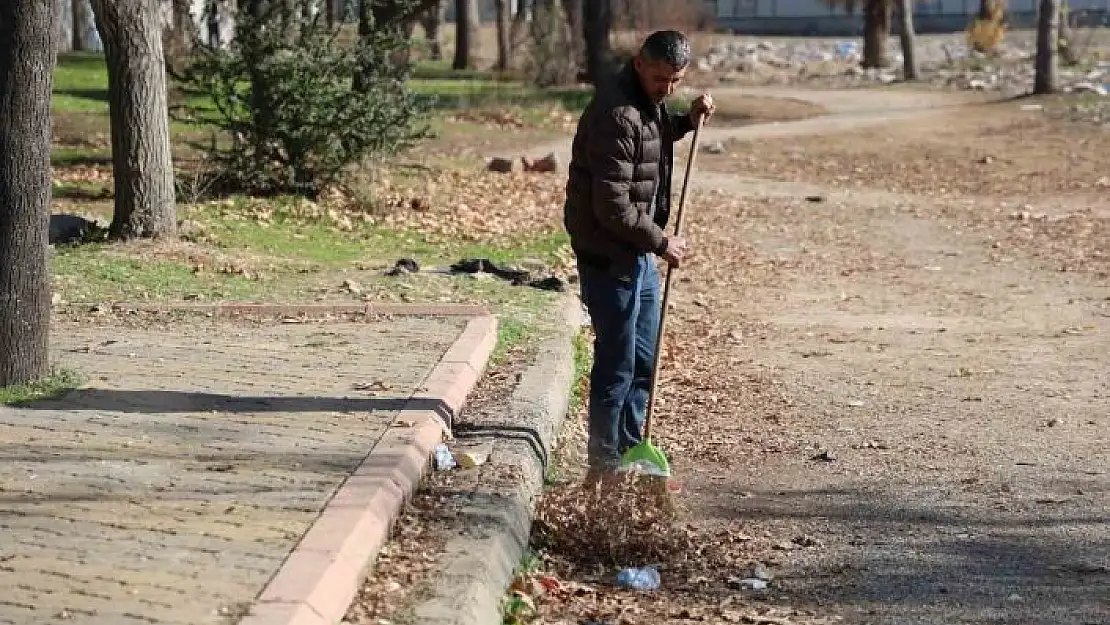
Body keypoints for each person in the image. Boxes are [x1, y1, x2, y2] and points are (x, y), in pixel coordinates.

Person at [563, 30, 715, 484]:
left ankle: (633, 448)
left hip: (638, 255)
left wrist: (686, 119)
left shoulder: (645, 103)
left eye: (676, 81)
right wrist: (662, 240)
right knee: (617, 363)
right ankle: (604, 466)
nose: (666, 89)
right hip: (609, 257)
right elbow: (611, 205)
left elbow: (653, 137)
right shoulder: (615, 114)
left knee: (643, 361)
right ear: (638, 65)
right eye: (660, 79)